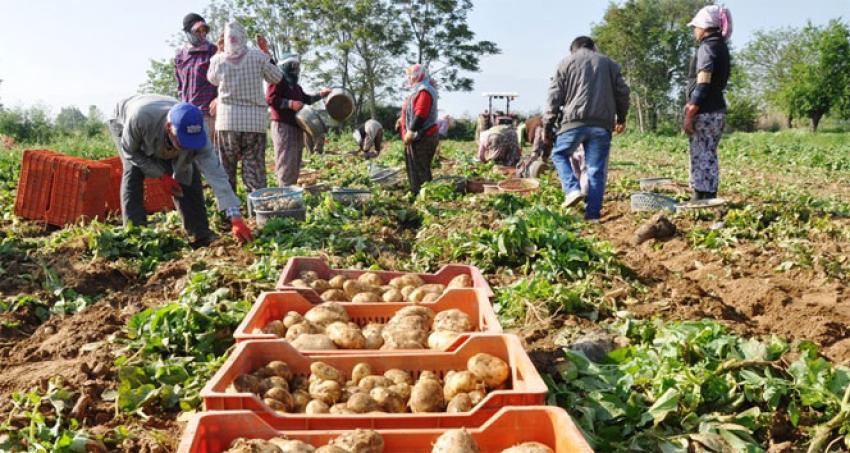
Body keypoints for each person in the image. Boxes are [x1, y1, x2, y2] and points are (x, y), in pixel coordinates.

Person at [108, 95, 252, 247]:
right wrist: (162, 175)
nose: (186, 147)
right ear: (169, 128)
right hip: (124, 121)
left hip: (162, 126)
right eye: (183, 141)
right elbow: (130, 152)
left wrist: (235, 217)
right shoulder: (141, 118)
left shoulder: (197, 127)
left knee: (188, 171)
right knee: (133, 172)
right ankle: (135, 235)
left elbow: (216, 173)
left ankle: (200, 233)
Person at [543, 36, 630, 221]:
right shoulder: (610, 64)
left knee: (559, 154)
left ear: (572, 50)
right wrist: (621, 117)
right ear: (594, 47)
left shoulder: (565, 63)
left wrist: (548, 125)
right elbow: (623, 93)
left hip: (573, 122)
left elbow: (554, 96)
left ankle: (572, 189)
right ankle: (593, 216)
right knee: (595, 170)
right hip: (602, 125)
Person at [207, 21, 282, 194]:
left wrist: (220, 51)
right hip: (253, 124)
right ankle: (258, 211)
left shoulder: (218, 60)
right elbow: (277, 77)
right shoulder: (258, 57)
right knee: (254, 170)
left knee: (226, 170)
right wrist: (266, 53)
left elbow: (211, 78)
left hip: (227, 123)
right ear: (244, 37)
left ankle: (229, 212)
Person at [684, 5, 732, 200]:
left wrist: (691, 110)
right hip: (716, 108)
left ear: (704, 27)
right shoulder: (720, 46)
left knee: (701, 153)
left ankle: (702, 197)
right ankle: (706, 195)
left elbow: (704, 80)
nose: (694, 31)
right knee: (708, 152)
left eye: (695, 27)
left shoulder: (708, 47)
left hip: (705, 110)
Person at [266, 53, 331, 186]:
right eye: (293, 66)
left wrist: (321, 95)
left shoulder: (296, 87)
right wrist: (290, 103)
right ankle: (285, 193)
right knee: (286, 160)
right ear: (285, 67)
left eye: (297, 66)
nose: (296, 69)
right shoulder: (278, 80)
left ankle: (291, 189)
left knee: (295, 161)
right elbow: (271, 99)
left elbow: (306, 99)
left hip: (296, 127)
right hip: (283, 126)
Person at [174, 13, 217, 148]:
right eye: (198, 31)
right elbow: (180, 85)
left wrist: (219, 99)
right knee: (189, 156)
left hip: (207, 115)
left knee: (210, 155)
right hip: (187, 114)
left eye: (204, 30)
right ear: (187, 32)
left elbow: (225, 80)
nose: (202, 34)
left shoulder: (213, 51)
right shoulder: (180, 55)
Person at [398, 64, 440, 196]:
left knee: (420, 170)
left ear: (418, 76)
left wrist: (410, 131)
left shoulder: (424, 90)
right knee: (415, 168)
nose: (409, 78)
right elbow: (411, 110)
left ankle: (423, 197)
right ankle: (418, 194)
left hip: (423, 136)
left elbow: (421, 113)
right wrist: (402, 120)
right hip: (418, 136)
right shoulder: (418, 89)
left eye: (411, 75)